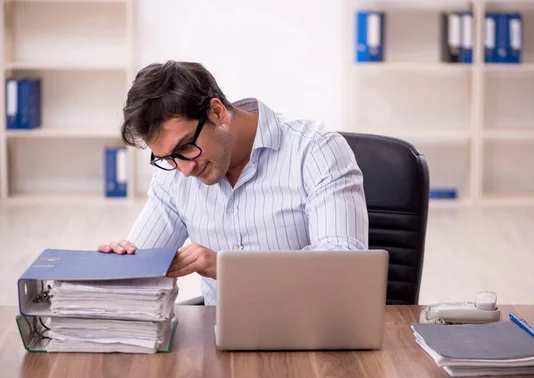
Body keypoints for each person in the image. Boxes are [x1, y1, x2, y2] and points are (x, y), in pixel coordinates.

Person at [98, 61, 368, 305]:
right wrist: (123, 263)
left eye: (186, 147)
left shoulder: (315, 150)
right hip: (218, 338)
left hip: (311, 336)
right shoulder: (173, 177)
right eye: (168, 158)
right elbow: (141, 277)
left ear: (216, 112)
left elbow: (342, 267)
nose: (185, 169)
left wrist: (227, 268)